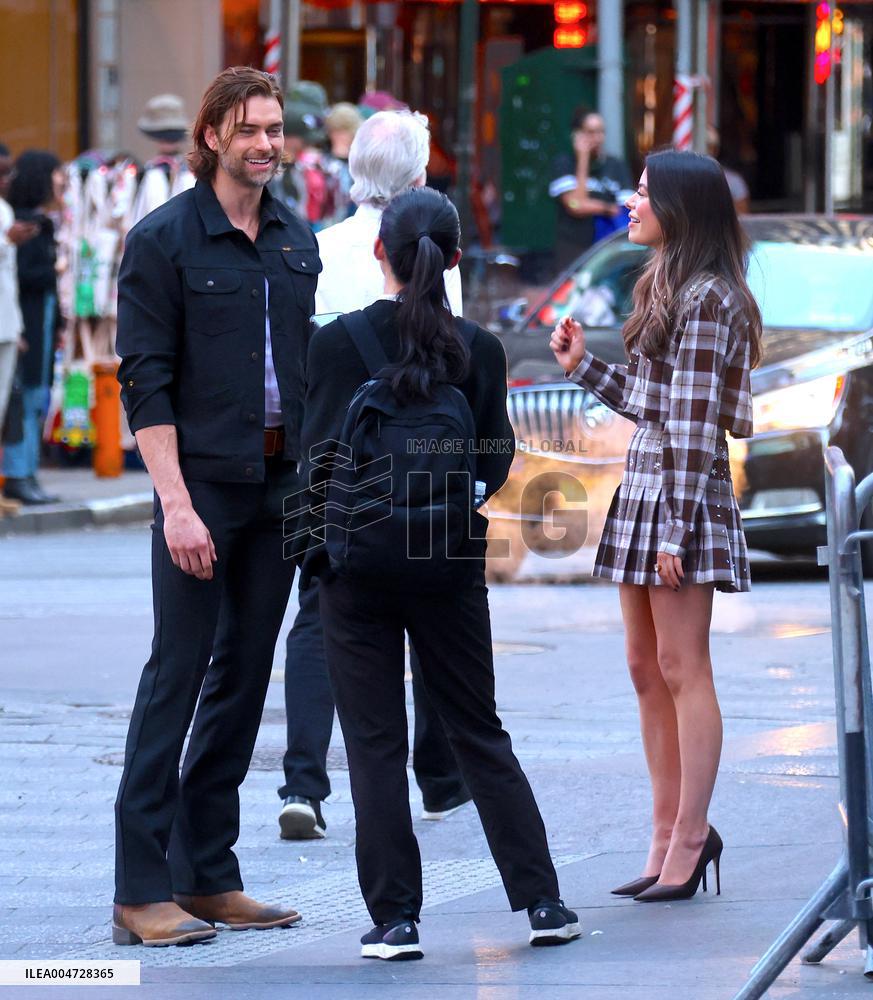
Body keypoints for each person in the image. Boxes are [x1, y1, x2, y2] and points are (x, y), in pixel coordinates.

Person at [296, 185, 580, 959]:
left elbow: (314, 461)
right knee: (477, 730)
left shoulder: (335, 345)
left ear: (380, 254)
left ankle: (396, 920)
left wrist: (315, 557)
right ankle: (544, 903)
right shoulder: (478, 350)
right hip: (448, 560)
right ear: (455, 259)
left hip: (355, 566)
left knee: (375, 744)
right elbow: (493, 460)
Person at [111, 67, 319, 947]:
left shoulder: (293, 239)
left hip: (277, 487)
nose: (266, 144)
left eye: (275, 129)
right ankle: (138, 888)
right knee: (177, 675)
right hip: (197, 490)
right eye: (250, 130)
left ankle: (208, 875)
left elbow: (305, 371)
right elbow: (144, 383)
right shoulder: (162, 241)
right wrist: (176, 505)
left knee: (241, 682)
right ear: (211, 138)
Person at [549, 149, 762, 903]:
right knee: (645, 671)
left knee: (681, 668)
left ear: (679, 207)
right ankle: (663, 831)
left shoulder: (709, 298)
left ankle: (690, 835)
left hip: (682, 496)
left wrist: (676, 529)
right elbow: (654, 403)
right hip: (647, 484)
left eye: (641, 194)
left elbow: (697, 425)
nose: (629, 205)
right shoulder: (666, 283)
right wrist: (581, 365)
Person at [277, 108, 468, 842]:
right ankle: (441, 779)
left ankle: (303, 783)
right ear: (419, 177)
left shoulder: (312, 250)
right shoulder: (435, 249)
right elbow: (453, 364)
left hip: (327, 459)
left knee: (315, 614)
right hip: (419, 460)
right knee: (431, 607)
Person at [2, 151, 64, 506]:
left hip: (39, 320)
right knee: (23, 399)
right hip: (24, 322)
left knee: (36, 397)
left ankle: (27, 472)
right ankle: (18, 474)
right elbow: (22, 277)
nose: (63, 181)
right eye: (57, 174)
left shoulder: (37, 222)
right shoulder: (19, 223)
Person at [548, 108, 632, 272]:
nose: (598, 138)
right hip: (574, 251)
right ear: (577, 134)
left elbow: (624, 208)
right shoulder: (564, 164)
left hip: (607, 253)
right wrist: (583, 160)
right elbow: (575, 204)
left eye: (601, 132)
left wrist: (590, 205)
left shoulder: (615, 165)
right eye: (591, 132)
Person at [0, 143, 35, 510]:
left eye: (8, 173)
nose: (6, 181)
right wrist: (5, 241)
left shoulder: (5, 208)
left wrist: (20, 328)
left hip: (6, 324)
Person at [128, 94, 196, 228]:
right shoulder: (147, 173)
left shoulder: (190, 173)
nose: (167, 141)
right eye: (164, 137)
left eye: (171, 136)